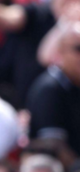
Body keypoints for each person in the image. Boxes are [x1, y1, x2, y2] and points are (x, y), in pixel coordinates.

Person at [27, 22, 80, 156]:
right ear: (61, 51)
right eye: (78, 49)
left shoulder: (74, 83)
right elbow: (54, 148)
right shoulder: (50, 89)